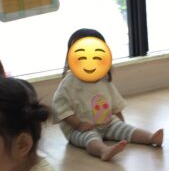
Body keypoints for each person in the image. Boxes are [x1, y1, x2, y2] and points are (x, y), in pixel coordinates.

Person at [52, 28, 163, 161]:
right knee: (90, 138)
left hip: (107, 123)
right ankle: (103, 150)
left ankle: (150, 138)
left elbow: (115, 103)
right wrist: (79, 124)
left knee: (126, 129)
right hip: (79, 129)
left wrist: (121, 121)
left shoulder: (104, 79)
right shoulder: (69, 84)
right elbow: (61, 109)